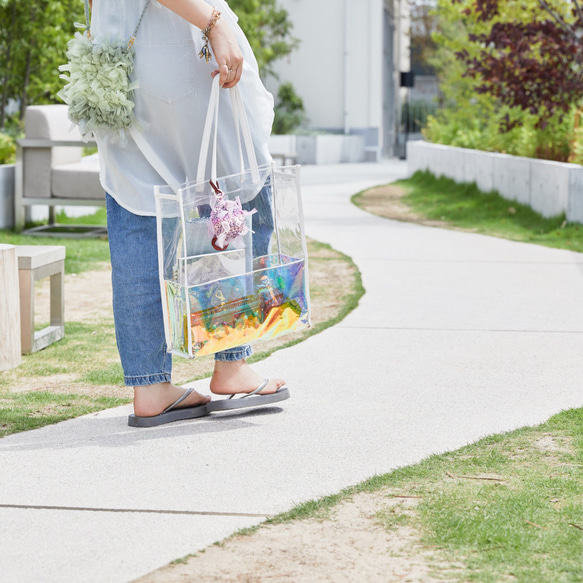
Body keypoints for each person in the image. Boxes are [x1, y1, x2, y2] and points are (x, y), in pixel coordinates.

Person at [88, 0, 287, 426]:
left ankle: (151, 386)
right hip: (180, 41)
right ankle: (231, 363)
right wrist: (213, 22)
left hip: (115, 54)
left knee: (137, 206)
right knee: (239, 189)